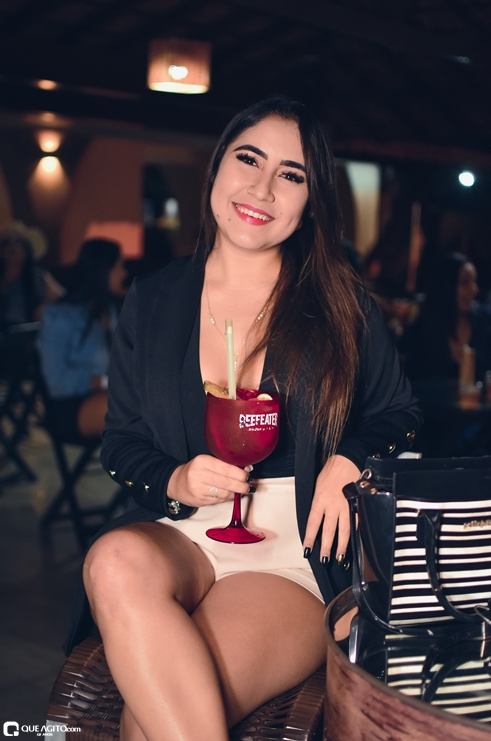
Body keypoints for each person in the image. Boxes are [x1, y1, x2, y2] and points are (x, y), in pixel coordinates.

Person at [67, 97, 422, 741]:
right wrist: (175, 479)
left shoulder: (340, 303)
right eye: (248, 159)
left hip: (291, 552)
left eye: (292, 174)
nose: (262, 188)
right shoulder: (155, 297)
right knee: (112, 558)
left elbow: (402, 415)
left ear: (311, 200)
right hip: (186, 529)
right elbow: (121, 441)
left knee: (146, 724)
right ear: (217, 168)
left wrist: (350, 461)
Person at [37, 239, 127, 438]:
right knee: (133, 404)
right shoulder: (60, 317)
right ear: (104, 271)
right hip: (69, 405)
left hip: (107, 395)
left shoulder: (112, 312)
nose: (123, 273)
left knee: (152, 399)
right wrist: (100, 382)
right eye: (119, 266)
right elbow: (55, 380)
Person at [400, 252, 491, 385]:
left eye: (474, 282)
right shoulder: (421, 330)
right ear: (446, 287)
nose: (474, 289)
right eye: (465, 283)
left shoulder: (485, 322)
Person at [0, 221, 63, 330]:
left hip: (27, 333)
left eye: (18, 245)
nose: (12, 248)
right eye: (7, 243)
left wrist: (44, 311)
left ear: (27, 250)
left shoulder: (37, 276)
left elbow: (61, 299)